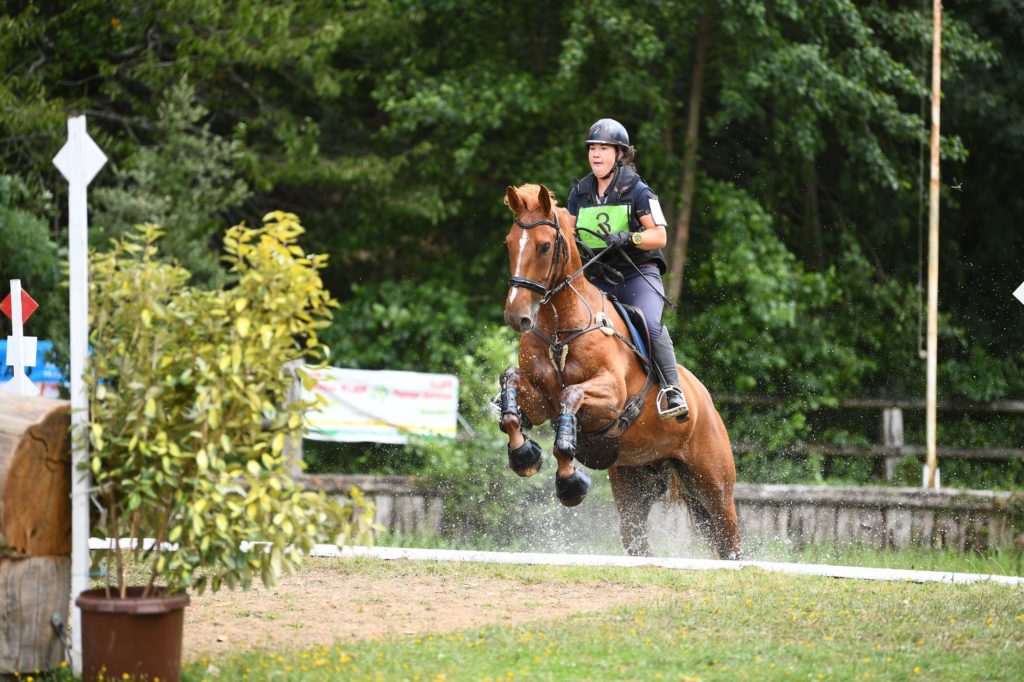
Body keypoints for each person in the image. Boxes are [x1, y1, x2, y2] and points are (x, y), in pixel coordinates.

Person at [563, 118, 689, 422]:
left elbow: (660, 236)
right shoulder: (579, 193)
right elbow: (567, 236)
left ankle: (673, 389)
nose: (595, 154)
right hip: (598, 278)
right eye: (592, 148)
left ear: (619, 153)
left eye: (603, 148)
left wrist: (630, 237)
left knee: (649, 322)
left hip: (638, 274)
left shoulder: (639, 190)